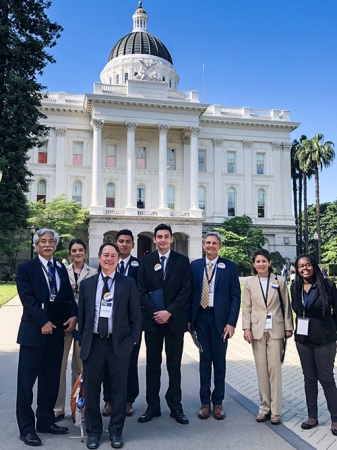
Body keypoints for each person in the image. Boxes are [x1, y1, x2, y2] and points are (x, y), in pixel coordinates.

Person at [16, 228, 77, 447]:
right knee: (26, 384)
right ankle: (26, 429)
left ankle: (45, 421)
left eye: (51, 241)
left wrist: (73, 315)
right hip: (33, 333)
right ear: (37, 244)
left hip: (57, 333)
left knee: (51, 380)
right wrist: (43, 321)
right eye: (43, 241)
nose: (48, 244)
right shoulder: (26, 268)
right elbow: (27, 299)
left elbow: (68, 297)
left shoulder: (60, 268)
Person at [78, 243, 141, 450]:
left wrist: (132, 340)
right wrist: (83, 339)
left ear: (117, 259)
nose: (109, 259)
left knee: (119, 391)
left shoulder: (128, 283)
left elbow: (135, 316)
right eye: (106, 255)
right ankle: (94, 432)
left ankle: (116, 432)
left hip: (119, 344)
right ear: (99, 257)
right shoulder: (88, 284)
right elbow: (83, 316)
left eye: (113, 255)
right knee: (92, 390)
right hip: (94, 343)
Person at [137, 223, 191, 425]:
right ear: (154, 239)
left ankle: (176, 407)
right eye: (159, 236)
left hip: (174, 322)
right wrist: (156, 313)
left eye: (166, 236)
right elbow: (141, 291)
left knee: (174, 366)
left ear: (171, 239)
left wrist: (169, 312)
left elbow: (186, 290)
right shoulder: (145, 262)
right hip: (152, 323)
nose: (162, 240)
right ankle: (153, 406)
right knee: (152, 366)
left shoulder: (182, 261)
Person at [187, 232, 241, 420]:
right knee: (204, 360)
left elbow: (235, 297)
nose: (210, 246)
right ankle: (204, 403)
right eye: (207, 243)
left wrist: (231, 322)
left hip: (220, 320)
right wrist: (189, 320)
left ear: (220, 246)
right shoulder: (194, 266)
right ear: (203, 245)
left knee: (219, 362)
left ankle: (218, 402)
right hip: (200, 317)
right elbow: (189, 294)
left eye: (214, 243)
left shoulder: (229, 267)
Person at [242, 249, 293, 425]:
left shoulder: (279, 281)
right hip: (256, 329)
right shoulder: (250, 282)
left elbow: (286, 305)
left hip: (276, 329)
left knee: (275, 370)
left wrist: (288, 327)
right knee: (261, 370)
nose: (261, 264)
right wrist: (246, 328)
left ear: (269, 263)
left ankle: (276, 410)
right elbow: (246, 307)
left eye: (264, 261)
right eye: (258, 262)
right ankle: (264, 407)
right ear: (254, 265)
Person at [291, 254, 337, 436]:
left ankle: (335, 418)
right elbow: (296, 309)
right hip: (303, 339)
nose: (304, 268)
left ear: (314, 266)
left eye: (308, 265)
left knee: (326, 378)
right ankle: (312, 416)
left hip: (325, 338)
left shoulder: (328, 286)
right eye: (301, 266)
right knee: (309, 379)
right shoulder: (295, 287)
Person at [54, 238, 97, 421]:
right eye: (74, 250)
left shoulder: (94, 272)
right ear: (70, 253)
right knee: (59, 366)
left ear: (85, 252)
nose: (77, 253)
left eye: (80, 250)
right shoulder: (62, 271)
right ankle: (58, 408)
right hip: (64, 323)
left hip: (84, 324)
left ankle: (78, 408)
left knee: (79, 368)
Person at [102, 230, 140, 418]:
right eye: (121, 241)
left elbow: (142, 293)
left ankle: (128, 400)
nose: (124, 244)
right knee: (108, 364)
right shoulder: (108, 265)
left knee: (130, 363)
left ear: (133, 245)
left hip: (130, 324)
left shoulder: (139, 266)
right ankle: (108, 400)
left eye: (128, 242)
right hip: (108, 324)